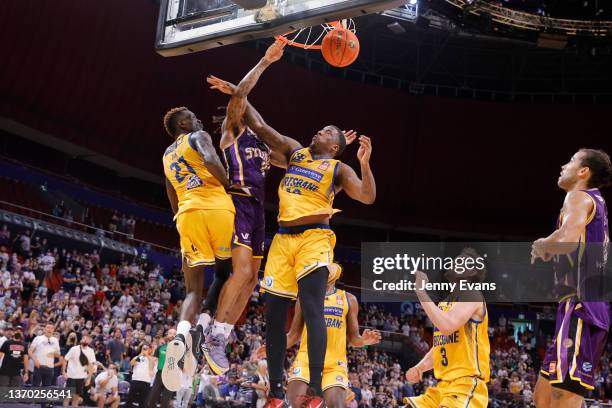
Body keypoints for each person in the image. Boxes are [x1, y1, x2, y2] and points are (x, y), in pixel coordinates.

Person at [207, 75, 376, 407]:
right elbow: (259, 123)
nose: (320, 132)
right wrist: (239, 93)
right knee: (273, 313)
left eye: (327, 133)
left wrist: (365, 165)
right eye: (321, 128)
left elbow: (367, 196)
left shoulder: (337, 168)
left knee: (312, 306)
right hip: (283, 241)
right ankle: (275, 387)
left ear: (334, 147)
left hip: (315, 239)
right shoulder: (294, 153)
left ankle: (314, 385)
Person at [202, 40, 284, 375]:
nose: (242, 111)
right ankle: (211, 338)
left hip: (259, 210)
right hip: (237, 203)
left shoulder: (264, 145)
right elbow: (240, 99)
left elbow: (294, 157)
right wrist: (265, 62)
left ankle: (220, 334)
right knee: (244, 273)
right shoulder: (231, 132)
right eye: (238, 108)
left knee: (253, 282)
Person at [162, 99, 235, 389]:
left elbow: (171, 194)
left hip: (187, 214)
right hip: (217, 208)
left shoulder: (166, 155)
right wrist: (228, 182)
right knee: (223, 274)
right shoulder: (198, 136)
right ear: (182, 124)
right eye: (193, 116)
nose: (199, 120)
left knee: (193, 288)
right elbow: (210, 159)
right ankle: (202, 330)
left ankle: (180, 337)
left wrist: (182, 217)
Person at [532, 149, 611, 408]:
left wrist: (545, 244)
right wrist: (548, 245)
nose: (563, 166)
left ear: (583, 171)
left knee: (561, 396)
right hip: (576, 306)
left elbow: (566, 241)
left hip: (582, 306)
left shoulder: (578, 196)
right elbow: (566, 239)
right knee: (542, 398)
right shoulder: (591, 202)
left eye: (570, 161)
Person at [277, 268, 381, 408]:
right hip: (306, 360)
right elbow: (293, 335)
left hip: (334, 365)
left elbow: (353, 338)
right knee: (294, 403)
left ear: (336, 274)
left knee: (336, 405)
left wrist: (364, 341)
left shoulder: (348, 299)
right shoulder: (304, 297)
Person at [405, 248, 490, 408]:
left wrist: (420, 291)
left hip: (466, 384)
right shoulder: (445, 304)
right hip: (443, 387)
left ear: (472, 272)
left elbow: (447, 326)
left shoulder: (472, 295)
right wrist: (419, 367)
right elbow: (441, 345)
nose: (456, 261)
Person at [62, 334, 97, 407]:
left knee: (76, 397)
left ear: (90, 341)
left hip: (81, 377)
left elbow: (91, 365)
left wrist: (89, 378)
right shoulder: (74, 349)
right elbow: (65, 360)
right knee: (68, 396)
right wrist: (64, 372)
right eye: (84, 338)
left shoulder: (91, 351)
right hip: (71, 376)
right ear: (81, 340)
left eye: (87, 339)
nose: (85, 340)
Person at [148, 329, 177, 408]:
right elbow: (153, 359)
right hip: (159, 374)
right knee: (152, 399)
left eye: (174, 334)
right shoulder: (160, 347)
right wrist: (150, 370)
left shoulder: (179, 349)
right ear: (167, 335)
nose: (172, 335)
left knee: (165, 402)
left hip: (171, 376)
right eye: (170, 333)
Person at [28, 323, 62, 387]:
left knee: (46, 389)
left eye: (51, 328)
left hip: (50, 368)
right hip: (39, 366)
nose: (50, 329)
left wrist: (54, 354)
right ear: (44, 329)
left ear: (53, 330)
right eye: (48, 327)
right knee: (35, 388)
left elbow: (58, 355)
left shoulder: (56, 340)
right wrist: (35, 360)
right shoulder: (38, 338)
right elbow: (30, 351)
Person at [125, 343, 155, 408]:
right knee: (130, 400)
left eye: (146, 348)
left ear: (150, 350)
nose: (144, 350)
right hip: (135, 380)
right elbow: (131, 363)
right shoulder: (138, 357)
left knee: (143, 403)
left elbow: (151, 366)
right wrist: (140, 354)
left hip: (146, 382)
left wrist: (147, 355)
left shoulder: (152, 359)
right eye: (143, 348)